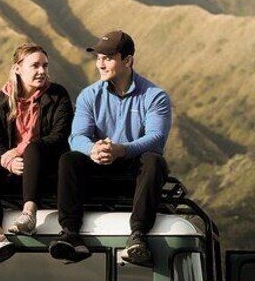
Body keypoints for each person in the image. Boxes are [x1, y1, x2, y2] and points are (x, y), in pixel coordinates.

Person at [48, 30, 172, 266]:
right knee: (69, 159)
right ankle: (70, 233)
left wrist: (121, 149)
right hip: (99, 166)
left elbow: (156, 139)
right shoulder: (88, 96)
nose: (100, 64)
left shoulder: (155, 97)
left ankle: (138, 235)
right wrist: (93, 149)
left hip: (134, 171)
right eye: (98, 58)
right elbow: (77, 137)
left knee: (154, 160)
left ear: (128, 60)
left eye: (107, 58)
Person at [0, 43, 73, 264]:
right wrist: (9, 162)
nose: (42, 71)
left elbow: (60, 135)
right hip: (16, 169)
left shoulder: (57, 95)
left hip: (47, 168)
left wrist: (17, 151)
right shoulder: (0, 100)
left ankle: (29, 214)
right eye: (35, 66)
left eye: (45, 65)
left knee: (34, 148)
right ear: (18, 68)